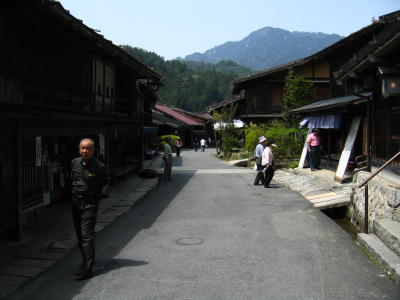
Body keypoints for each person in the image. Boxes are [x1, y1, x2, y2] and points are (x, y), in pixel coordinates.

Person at [71, 138, 108, 279]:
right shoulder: (74, 163)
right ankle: (87, 259)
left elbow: (104, 185)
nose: (84, 151)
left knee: (87, 234)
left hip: (90, 203)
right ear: (79, 149)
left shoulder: (99, 167)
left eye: (87, 148)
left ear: (93, 150)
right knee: (80, 234)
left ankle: (88, 268)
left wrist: (99, 196)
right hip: (75, 202)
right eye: (82, 148)